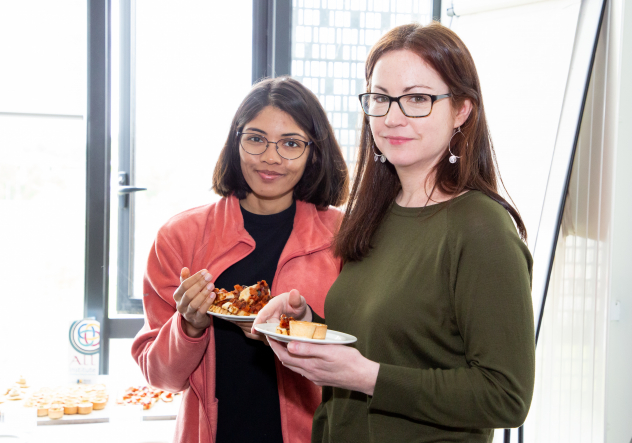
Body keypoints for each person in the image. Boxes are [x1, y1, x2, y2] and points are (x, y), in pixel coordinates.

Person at [253, 22, 536, 443]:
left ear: (462, 109)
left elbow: (506, 396)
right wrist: (310, 325)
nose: (392, 117)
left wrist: (370, 378)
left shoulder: (481, 229)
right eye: (381, 99)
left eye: (417, 99)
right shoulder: (374, 215)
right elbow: (393, 341)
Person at [132, 76, 349, 443]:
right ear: (236, 142)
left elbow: (363, 358)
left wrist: (298, 331)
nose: (270, 157)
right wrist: (189, 325)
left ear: (314, 151)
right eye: (255, 139)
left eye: (291, 143)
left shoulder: (345, 237)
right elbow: (162, 377)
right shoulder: (180, 237)